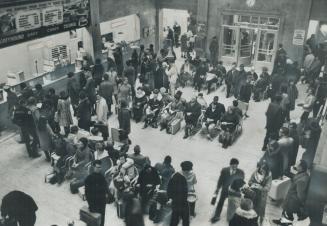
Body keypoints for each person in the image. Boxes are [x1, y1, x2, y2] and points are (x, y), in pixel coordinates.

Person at [272, 160, 310, 225]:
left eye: (297, 165)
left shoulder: (302, 180)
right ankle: (281, 221)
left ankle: (284, 223)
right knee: (285, 213)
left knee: (288, 216)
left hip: (292, 202)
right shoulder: (301, 174)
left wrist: (300, 204)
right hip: (290, 200)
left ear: (301, 167)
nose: (296, 166)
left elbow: (300, 195)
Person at [211, 158, 245, 223]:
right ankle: (217, 215)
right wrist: (217, 189)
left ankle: (234, 217)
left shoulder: (241, 172)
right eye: (233, 165)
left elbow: (242, 182)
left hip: (235, 191)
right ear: (230, 165)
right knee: (220, 203)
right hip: (225, 190)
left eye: (236, 165)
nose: (235, 167)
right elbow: (220, 180)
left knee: (235, 204)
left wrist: (240, 191)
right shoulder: (224, 170)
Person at [84, 160, 110, 226]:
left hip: (101, 204)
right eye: (97, 167)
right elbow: (87, 193)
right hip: (93, 204)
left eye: (100, 167)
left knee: (101, 221)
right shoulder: (89, 178)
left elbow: (106, 188)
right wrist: (90, 204)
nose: (99, 169)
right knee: (93, 222)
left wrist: (108, 195)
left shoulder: (102, 177)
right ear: (93, 167)